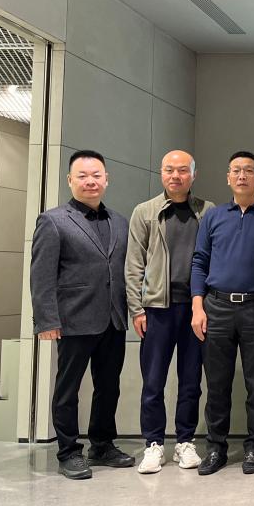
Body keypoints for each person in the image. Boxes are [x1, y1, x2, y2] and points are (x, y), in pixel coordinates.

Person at [30, 149, 134, 479]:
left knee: (109, 386)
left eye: (96, 175)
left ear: (106, 179)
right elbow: (41, 275)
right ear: (70, 180)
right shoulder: (53, 220)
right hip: (73, 320)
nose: (91, 181)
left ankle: (102, 445)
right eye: (83, 176)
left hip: (113, 319)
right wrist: (46, 320)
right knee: (68, 389)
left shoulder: (120, 221)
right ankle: (68, 451)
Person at [190, 151, 254, 475]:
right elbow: (199, 261)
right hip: (216, 307)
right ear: (228, 177)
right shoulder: (214, 217)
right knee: (217, 384)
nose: (242, 175)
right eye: (236, 170)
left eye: (249, 170)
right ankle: (216, 448)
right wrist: (197, 306)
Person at [127, 150, 214, 474]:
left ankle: (185, 442)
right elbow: (133, 264)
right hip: (156, 310)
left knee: (191, 381)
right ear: (161, 173)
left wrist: (205, 304)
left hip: (196, 309)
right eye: (169, 170)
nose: (175, 176)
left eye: (182, 170)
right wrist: (137, 308)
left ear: (193, 174)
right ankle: (153, 444)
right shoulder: (145, 212)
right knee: (153, 382)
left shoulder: (208, 211)